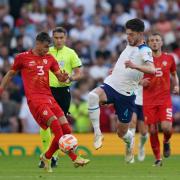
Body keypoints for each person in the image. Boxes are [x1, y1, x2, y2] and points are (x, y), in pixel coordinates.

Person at [0, 32, 90, 173]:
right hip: (35, 99)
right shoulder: (22, 58)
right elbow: (10, 74)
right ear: (38, 43)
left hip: (49, 97)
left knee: (67, 130)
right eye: (46, 47)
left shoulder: (49, 58)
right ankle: (75, 158)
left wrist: (64, 77)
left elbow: (59, 77)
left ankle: (46, 156)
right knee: (56, 126)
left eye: (49, 47)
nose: (47, 50)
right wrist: (1, 89)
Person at [88, 18, 155, 163]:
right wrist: (117, 69)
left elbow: (152, 69)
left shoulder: (145, 50)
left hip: (125, 95)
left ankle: (129, 140)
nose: (128, 37)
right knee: (92, 96)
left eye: (131, 34)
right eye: (127, 34)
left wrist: (134, 66)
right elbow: (124, 59)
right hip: (111, 86)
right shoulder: (129, 44)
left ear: (140, 34)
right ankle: (97, 133)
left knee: (121, 133)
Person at [39, 27, 83, 168]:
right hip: (46, 92)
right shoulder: (46, 52)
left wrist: (70, 77)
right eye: (56, 37)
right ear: (52, 38)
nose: (58, 40)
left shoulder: (71, 53)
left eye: (61, 38)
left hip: (63, 92)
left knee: (57, 127)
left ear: (65, 38)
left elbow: (79, 73)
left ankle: (53, 157)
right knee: (45, 126)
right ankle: (45, 155)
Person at [142, 33, 179, 166]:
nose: (154, 43)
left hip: (164, 99)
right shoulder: (144, 60)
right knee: (152, 130)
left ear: (162, 42)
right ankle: (158, 158)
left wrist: (177, 85)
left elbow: (174, 74)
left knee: (167, 128)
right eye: (152, 41)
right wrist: (141, 82)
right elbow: (133, 77)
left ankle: (166, 141)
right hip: (148, 100)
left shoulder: (169, 58)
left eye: (157, 40)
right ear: (148, 44)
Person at [126, 85, 148, 163]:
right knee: (132, 122)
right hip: (133, 98)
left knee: (144, 132)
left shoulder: (152, 72)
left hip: (146, 101)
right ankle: (130, 151)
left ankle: (141, 146)